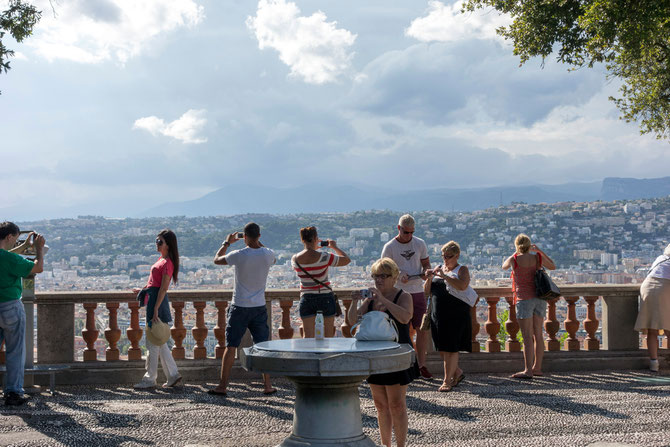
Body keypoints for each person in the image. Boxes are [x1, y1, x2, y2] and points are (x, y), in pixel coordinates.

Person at [347, 258, 417, 447]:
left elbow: (405, 318)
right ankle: (386, 444)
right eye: (376, 276)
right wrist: (355, 303)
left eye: (383, 276)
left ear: (394, 277)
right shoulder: (371, 298)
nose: (378, 280)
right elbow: (353, 321)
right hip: (375, 356)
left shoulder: (403, 295)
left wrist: (383, 299)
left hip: (396, 355)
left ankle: (400, 445)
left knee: (397, 404)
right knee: (380, 405)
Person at [209, 222, 276, 396]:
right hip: (259, 307)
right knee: (263, 346)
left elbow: (216, 260)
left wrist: (227, 243)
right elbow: (269, 255)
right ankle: (267, 385)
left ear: (244, 237)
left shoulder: (239, 254)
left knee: (231, 347)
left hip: (239, 306)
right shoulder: (268, 255)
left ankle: (223, 386)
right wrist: (257, 243)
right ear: (259, 236)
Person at [381, 214, 433, 379]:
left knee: (422, 329)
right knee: (400, 329)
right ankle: (402, 364)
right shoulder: (389, 247)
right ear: (398, 229)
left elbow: (426, 264)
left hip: (417, 290)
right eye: (406, 232)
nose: (409, 236)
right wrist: (398, 275)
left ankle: (421, 364)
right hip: (398, 293)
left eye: (411, 232)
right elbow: (383, 271)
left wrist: (426, 272)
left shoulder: (420, 243)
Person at [0, 223, 45, 406]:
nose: (15, 242)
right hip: (10, 307)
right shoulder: (10, 259)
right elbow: (38, 268)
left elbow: (8, 255)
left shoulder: (8, 257)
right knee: (15, 352)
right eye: (15, 239)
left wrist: (24, 245)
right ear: (9, 236)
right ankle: (13, 392)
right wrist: (38, 249)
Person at [502, 234, 556, 379]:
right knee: (538, 335)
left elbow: (504, 266)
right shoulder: (537, 258)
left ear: (516, 245)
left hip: (524, 299)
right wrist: (539, 251)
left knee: (527, 337)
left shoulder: (515, 260)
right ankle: (537, 367)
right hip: (540, 298)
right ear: (530, 245)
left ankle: (528, 370)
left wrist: (515, 252)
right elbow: (552, 266)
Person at [133, 229, 182, 389]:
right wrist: (143, 289)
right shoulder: (162, 260)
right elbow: (154, 283)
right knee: (159, 341)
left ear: (168, 245)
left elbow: (163, 288)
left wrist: (155, 308)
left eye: (160, 241)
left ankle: (150, 379)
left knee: (153, 342)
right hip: (154, 300)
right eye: (157, 240)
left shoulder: (167, 263)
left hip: (157, 303)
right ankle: (173, 375)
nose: (157, 243)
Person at [424, 241, 474, 392]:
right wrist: (429, 278)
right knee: (441, 347)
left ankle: (447, 380)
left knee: (451, 348)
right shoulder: (439, 269)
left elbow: (462, 286)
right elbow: (427, 292)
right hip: (438, 315)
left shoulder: (462, 269)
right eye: (443, 256)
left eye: (449, 256)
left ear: (457, 256)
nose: (445, 259)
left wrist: (445, 276)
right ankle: (457, 372)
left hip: (456, 315)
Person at [292, 226, 350, 338]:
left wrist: (313, 248)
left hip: (307, 297)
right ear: (315, 238)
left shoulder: (295, 259)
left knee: (308, 336)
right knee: (329, 335)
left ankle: (309, 355)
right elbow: (346, 260)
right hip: (325, 297)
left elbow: (308, 261)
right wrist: (334, 247)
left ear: (302, 240)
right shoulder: (324, 256)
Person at [634, 243, 670, 372]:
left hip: (648, 287)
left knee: (652, 329)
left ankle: (654, 363)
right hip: (665, 288)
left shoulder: (661, 259)